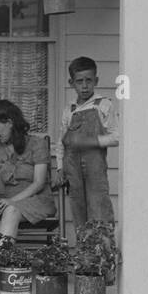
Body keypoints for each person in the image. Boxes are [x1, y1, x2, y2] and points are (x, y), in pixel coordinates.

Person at [0, 98, 56, 244]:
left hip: (37, 200)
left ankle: (0, 261)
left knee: (10, 210)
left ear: (10, 123)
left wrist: (12, 201)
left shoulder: (37, 144)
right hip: (7, 204)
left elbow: (39, 183)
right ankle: (5, 259)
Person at [58, 56, 119, 229]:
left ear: (96, 80)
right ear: (72, 83)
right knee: (79, 211)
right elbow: (61, 141)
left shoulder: (103, 105)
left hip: (95, 167)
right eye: (79, 81)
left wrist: (89, 141)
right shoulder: (69, 110)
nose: (84, 86)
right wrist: (60, 168)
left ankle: (104, 254)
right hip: (72, 167)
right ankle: (84, 255)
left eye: (88, 81)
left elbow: (116, 137)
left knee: (99, 208)